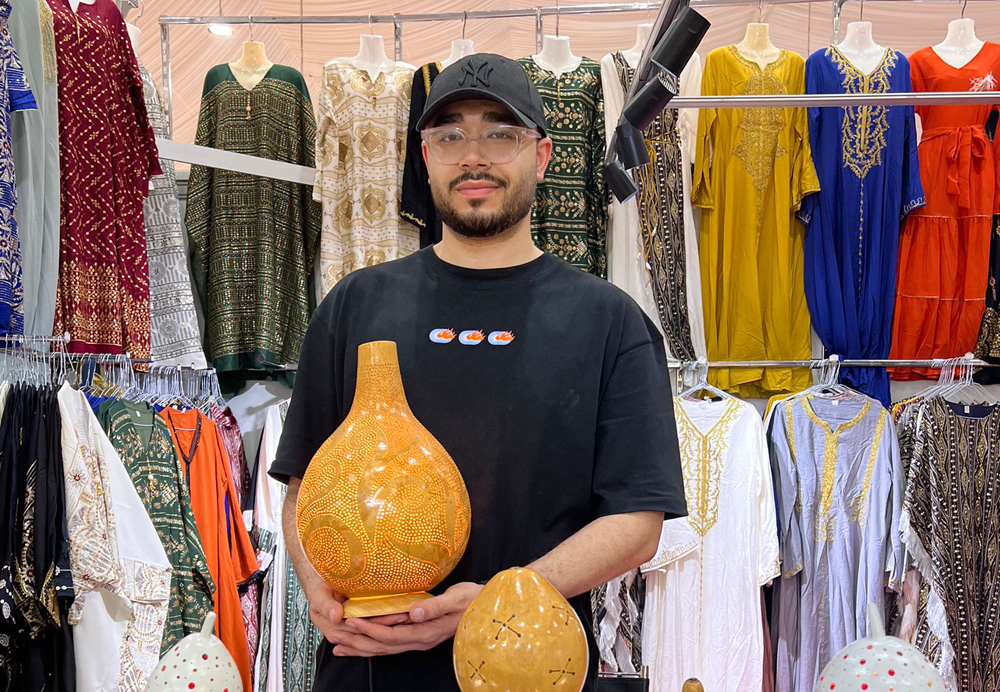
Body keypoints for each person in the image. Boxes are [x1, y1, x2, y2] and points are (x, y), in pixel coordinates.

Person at [270, 53, 686, 692]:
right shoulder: (354, 305)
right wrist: (315, 586)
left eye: (500, 133)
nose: (474, 155)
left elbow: (636, 524)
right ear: (425, 156)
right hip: (367, 671)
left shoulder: (611, 322)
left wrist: (500, 598)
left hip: (530, 666)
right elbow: (302, 483)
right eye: (450, 135)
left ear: (542, 156)